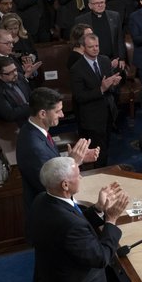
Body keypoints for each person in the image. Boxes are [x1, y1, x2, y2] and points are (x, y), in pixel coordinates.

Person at [29, 156, 128, 282]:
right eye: (78, 174)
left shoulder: (42, 200)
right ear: (65, 185)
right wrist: (111, 221)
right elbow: (100, 258)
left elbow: (73, 226)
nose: (81, 177)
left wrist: (98, 208)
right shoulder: (69, 225)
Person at [17, 87, 98, 217]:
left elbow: (51, 162)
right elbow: (53, 185)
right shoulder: (34, 146)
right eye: (58, 111)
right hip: (51, 213)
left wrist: (78, 159)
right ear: (42, 114)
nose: (62, 115)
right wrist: (73, 162)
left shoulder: (33, 130)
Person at [71, 33, 122, 168]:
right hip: (91, 118)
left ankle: (103, 170)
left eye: (97, 46)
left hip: (108, 113)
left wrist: (114, 84)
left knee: (105, 148)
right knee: (96, 152)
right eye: (91, 47)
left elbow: (109, 84)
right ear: (83, 47)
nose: (95, 49)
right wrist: (101, 89)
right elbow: (79, 97)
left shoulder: (104, 60)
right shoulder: (77, 69)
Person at [74, 0, 126, 71]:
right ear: (90, 5)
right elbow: (79, 44)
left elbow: (119, 38)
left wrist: (122, 58)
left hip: (114, 61)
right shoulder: (81, 20)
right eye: (96, 3)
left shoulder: (115, 16)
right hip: (92, 62)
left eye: (102, 2)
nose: (100, 5)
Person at [0, 57, 31, 125]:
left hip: (30, 119)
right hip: (12, 126)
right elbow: (10, 115)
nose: (15, 74)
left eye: (15, 70)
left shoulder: (20, 77)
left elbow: (31, 95)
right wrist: (30, 105)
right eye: (10, 73)